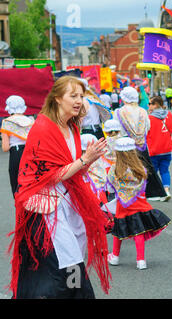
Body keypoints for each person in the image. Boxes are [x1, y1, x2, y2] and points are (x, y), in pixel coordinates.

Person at [8, 76, 111, 299]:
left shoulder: (72, 126)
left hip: (69, 203)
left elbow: (70, 171)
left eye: (81, 96)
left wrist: (89, 160)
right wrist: (85, 160)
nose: (79, 101)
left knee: (73, 262)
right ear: (57, 98)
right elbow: (50, 177)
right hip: (46, 210)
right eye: (73, 96)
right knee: (65, 263)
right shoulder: (43, 128)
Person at [106, 137, 171, 270]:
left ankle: (115, 256)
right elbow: (143, 186)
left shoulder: (114, 169)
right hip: (139, 204)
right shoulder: (140, 168)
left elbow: (110, 189)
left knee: (119, 231)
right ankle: (141, 260)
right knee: (139, 231)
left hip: (122, 205)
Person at [113, 86, 167, 200]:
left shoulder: (119, 112)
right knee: (147, 167)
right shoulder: (142, 111)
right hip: (142, 144)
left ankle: (129, 191)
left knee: (127, 169)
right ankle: (154, 192)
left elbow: (117, 130)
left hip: (125, 143)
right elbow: (148, 127)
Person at [1, 95, 35, 197]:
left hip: (16, 154)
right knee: (31, 183)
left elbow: (5, 148)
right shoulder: (31, 120)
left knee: (17, 187)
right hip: (30, 153)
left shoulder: (7, 123)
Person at [147, 96, 172, 202]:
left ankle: (155, 193)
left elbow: (146, 133)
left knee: (153, 172)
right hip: (167, 148)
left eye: (150, 104)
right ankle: (166, 190)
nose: (149, 106)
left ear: (156, 105)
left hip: (154, 149)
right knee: (165, 171)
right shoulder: (169, 114)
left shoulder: (149, 118)